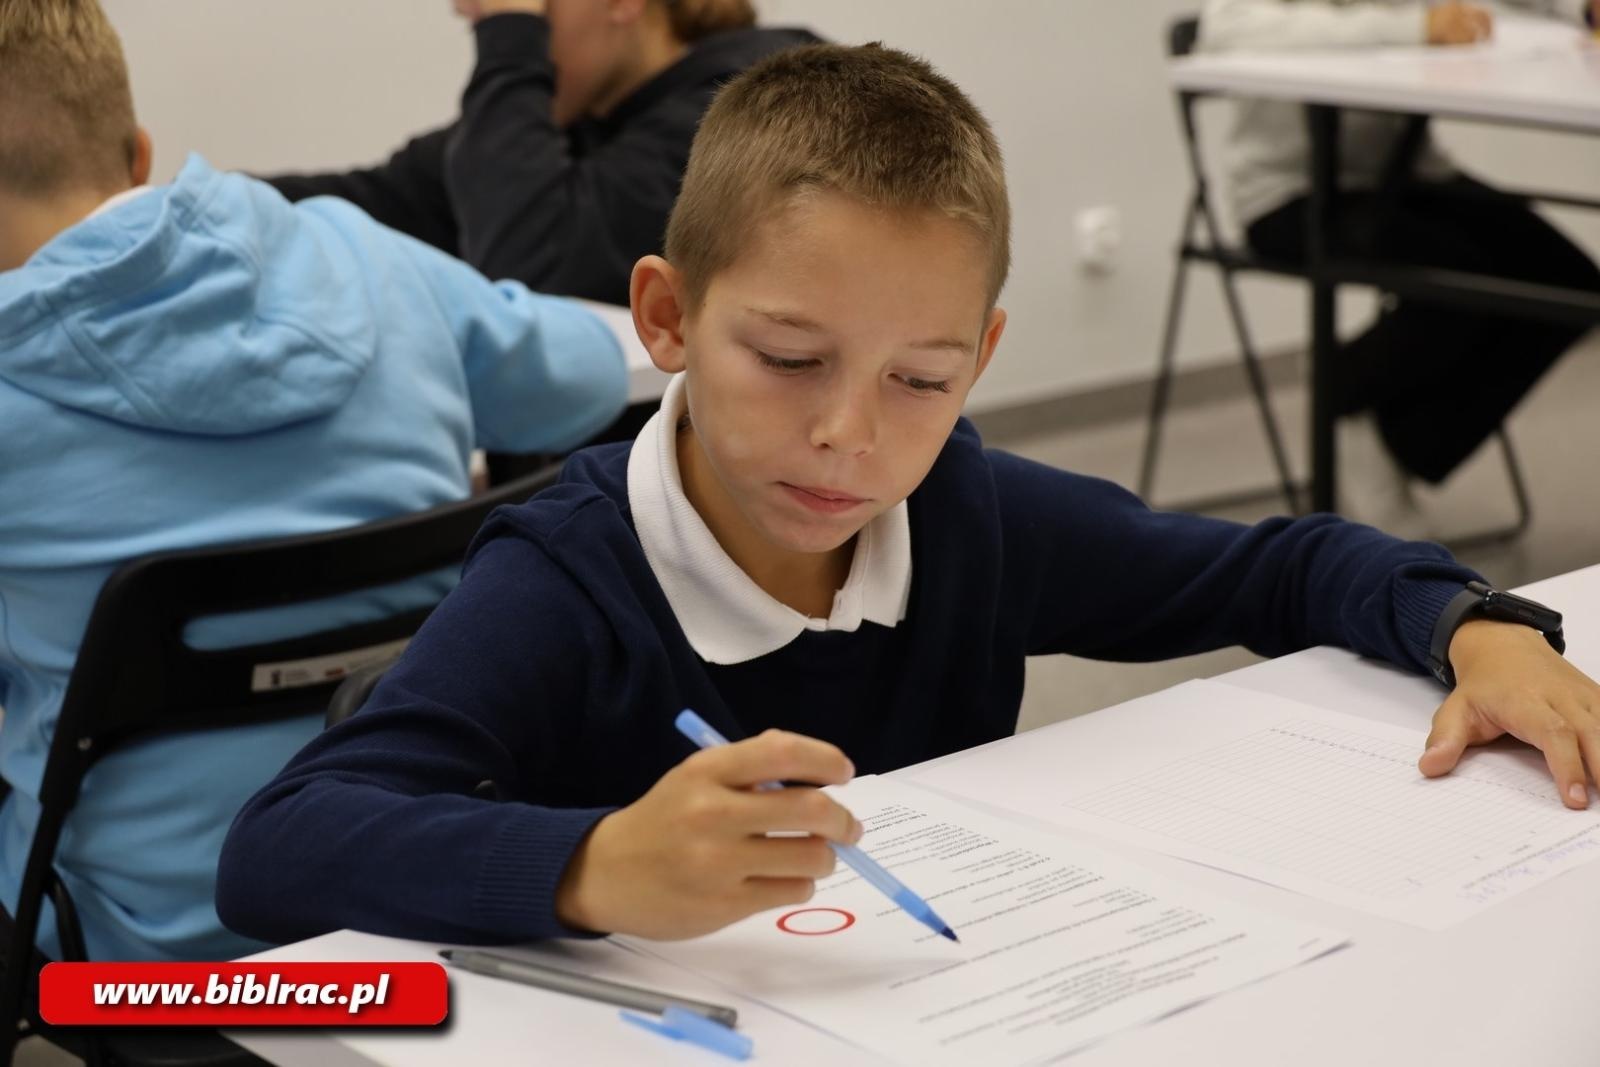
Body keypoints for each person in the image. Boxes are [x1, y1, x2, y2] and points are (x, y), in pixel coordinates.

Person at [219, 42, 1600, 950]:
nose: (845, 436)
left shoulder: (960, 513)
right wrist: (595, 862)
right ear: (668, 315)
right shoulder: (569, 573)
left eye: (920, 378)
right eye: (788, 356)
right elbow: (278, 849)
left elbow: (1276, 569)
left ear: (983, 358)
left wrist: (1474, 626)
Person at [0, 0, 627, 961]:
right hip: (409, 890)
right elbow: (581, 377)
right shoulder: (358, 253)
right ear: (138, 155)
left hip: (134, 942)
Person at [1201, 0, 1600, 484]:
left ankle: (1394, 442)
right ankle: (1346, 392)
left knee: (1568, 282)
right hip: (1294, 192)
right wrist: (1414, 26)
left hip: (1409, 173)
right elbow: (1225, 27)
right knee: (1457, 279)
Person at [266, 0, 820, 306]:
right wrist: (194, 206)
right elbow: (374, 204)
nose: (466, 9)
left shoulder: (758, 119)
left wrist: (511, 42)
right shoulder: (570, 123)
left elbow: (529, 274)